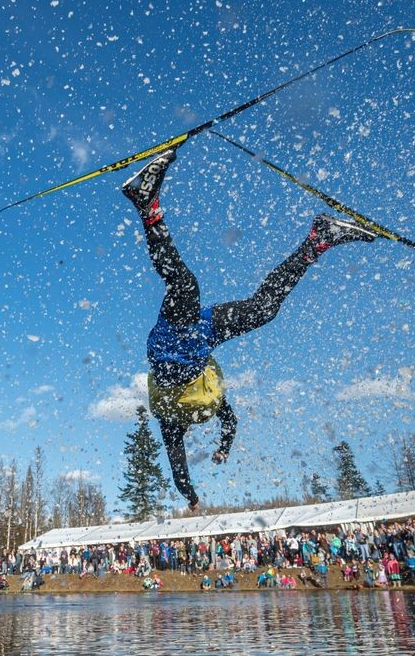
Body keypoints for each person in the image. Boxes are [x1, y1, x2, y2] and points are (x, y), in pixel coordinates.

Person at [120, 149, 376, 509]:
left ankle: (147, 205)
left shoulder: (172, 425)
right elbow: (230, 422)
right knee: (263, 310)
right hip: (201, 333)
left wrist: (192, 497)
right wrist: (223, 448)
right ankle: (320, 239)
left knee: (185, 287)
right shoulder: (207, 408)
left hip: (170, 351)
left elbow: (180, 469)